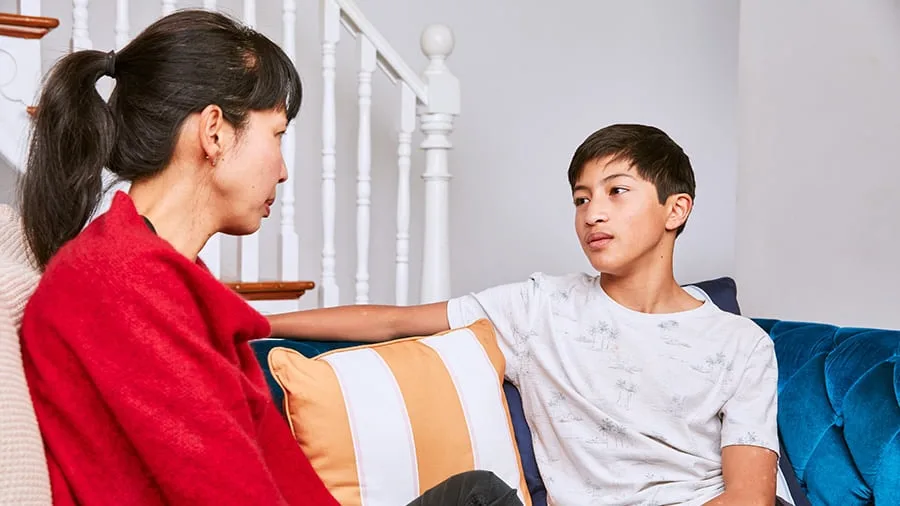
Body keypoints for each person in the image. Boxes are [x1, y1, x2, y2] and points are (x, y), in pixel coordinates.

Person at [18, 9, 519, 506]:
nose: (281, 170)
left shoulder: (148, 270)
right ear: (213, 131)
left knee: (479, 491)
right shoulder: (120, 284)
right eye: (277, 135)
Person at [269, 124, 792, 505]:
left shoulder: (739, 343)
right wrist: (259, 325)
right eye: (581, 199)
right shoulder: (540, 307)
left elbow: (749, 498)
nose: (594, 213)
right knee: (473, 493)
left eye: (617, 191)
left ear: (675, 210)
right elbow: (392, 322)